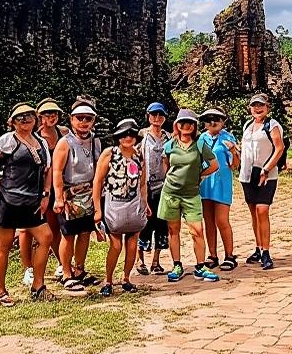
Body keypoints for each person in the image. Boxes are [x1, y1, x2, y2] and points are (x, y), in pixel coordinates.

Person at [0, 102, 55, 306]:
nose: (25, 120)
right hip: (9, 201)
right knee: (5, 245)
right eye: (20, 117)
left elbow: (48, 171)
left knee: (45, 237)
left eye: (29, 116)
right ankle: (0, 292)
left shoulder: (41, 142)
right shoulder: (7, 141)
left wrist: (46, 195)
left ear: (36, 119)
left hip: (32, 201)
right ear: (12, 122)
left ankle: (38, 286)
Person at [159, 108, 220, 282]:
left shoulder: (200, 144)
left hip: (191, 194)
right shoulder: (170, 145)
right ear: (177, 125)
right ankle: (177, 264)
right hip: (171, 193)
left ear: (195, 126)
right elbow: (165, 164)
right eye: (183, 122)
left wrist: (200, 175)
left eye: (190, 123)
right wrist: (170, 179)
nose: (186, 126)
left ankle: (201, 266)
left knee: (197, 231)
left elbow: (214, 165)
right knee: (173, 230)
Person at [92, 118, 149, 295]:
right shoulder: (110, 154)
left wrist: (145, 204)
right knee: (115, 245)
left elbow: (142, 183)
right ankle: (108, 280)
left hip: (134, 204)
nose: (128, 137)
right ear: (118, 137)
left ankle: (126, 278)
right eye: (124, 134)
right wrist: (97, 209)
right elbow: (98, 181)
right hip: (114, 204)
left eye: (131, 134)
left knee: (132, 244)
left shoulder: (139, 155)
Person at [52, 98, 103, 292]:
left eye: (88, 118)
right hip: (70, 194)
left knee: (85, 233)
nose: (83, 122)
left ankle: (79, 269)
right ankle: (66, 272)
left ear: (93, 121)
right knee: (69, 235)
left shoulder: (95, 141)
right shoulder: (65, 143)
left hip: (89, 193)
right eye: (79, 118)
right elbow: (57, 171)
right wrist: (58, 197)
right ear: (71, 120)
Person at [20, 98, 67, 287]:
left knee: (54, 226)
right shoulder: (33, 136)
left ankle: (61, 263)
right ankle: (28, 268)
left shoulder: (64, 133)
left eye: (54, 113)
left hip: (54, 186)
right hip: (31, 187)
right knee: (26, 229)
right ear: (39, 117)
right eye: (47, 114)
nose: (51, 117)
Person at [240, 92, 285, 270]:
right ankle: (258, 247)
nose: (257, 109)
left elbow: (279, 148)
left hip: (266, 174)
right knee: (253, 212)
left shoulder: (272, 125)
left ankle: (266, 251)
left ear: (268, 108)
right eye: (254, 106)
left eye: (261, 106)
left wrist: (266, 169)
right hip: (247, 175)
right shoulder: (247, 126)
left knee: (262, 210)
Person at [198, 106, 240, 271]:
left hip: (221, 183)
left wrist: (233, 152)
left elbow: (235, 165)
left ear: (223, 121)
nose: (212, 122)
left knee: (222, 220)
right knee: (208, 221)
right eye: (208, 119)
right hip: (205, 184)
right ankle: (213, 255)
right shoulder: (201, 139)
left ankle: (229, 255)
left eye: (216, 118)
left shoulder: (228, 138)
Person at [137, 102, 170, 276]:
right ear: (148, 115)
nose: (157, 118)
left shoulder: (169, 137)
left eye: (160, 115)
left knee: (161, 223)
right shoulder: (141, 136)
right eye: (153, 114)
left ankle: (156, 261)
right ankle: (139, 260)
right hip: (145, 186)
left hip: (164, 186)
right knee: (143, 223)